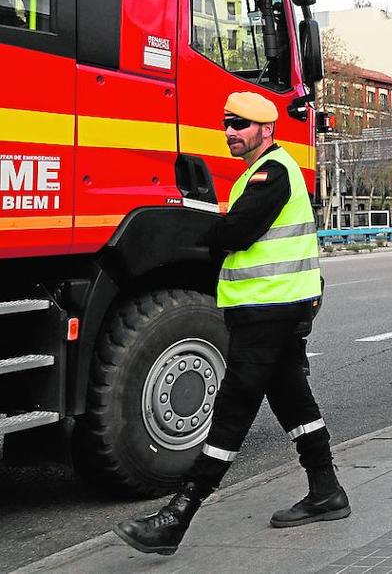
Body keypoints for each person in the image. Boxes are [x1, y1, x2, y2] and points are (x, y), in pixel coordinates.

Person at [115, 92, 348, 556]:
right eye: (227, 124)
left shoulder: (271, 173)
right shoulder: (257, 175)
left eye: (240, 125)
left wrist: (198, 223)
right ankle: (327, 491)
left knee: (232, 412)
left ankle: (178, 514)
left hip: (269, 311)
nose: (230, 133)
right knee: (294, 402)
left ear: (266, 130)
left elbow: (237, 233)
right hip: (271, 308)